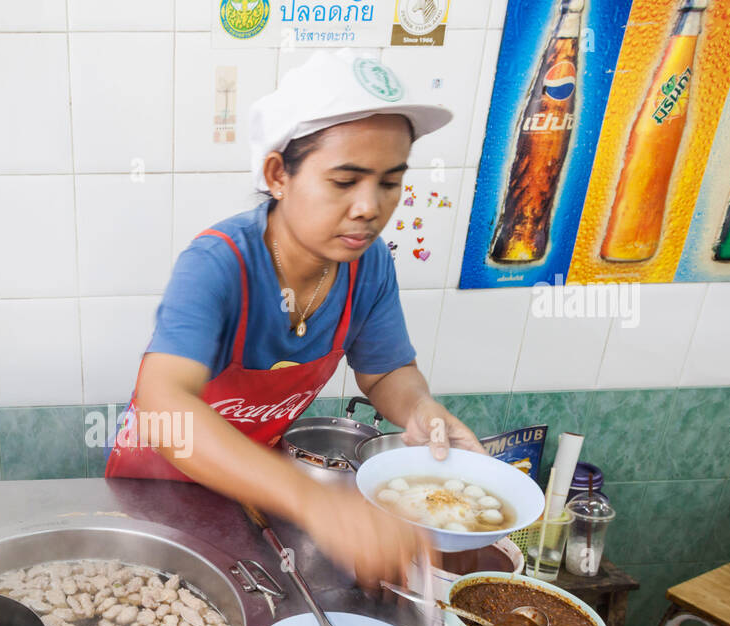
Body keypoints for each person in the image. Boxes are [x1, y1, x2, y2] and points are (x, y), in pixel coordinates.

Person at [105, 51, 484, 585]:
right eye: (345, 181)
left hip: (256, 491)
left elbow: (384, 372)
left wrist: (420, 409)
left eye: (389, 182)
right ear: (279, 174)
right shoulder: (218, 264)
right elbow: (165, 405)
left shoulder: (367, 264)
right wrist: (318, 504)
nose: (370, 207)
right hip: (158, 494)